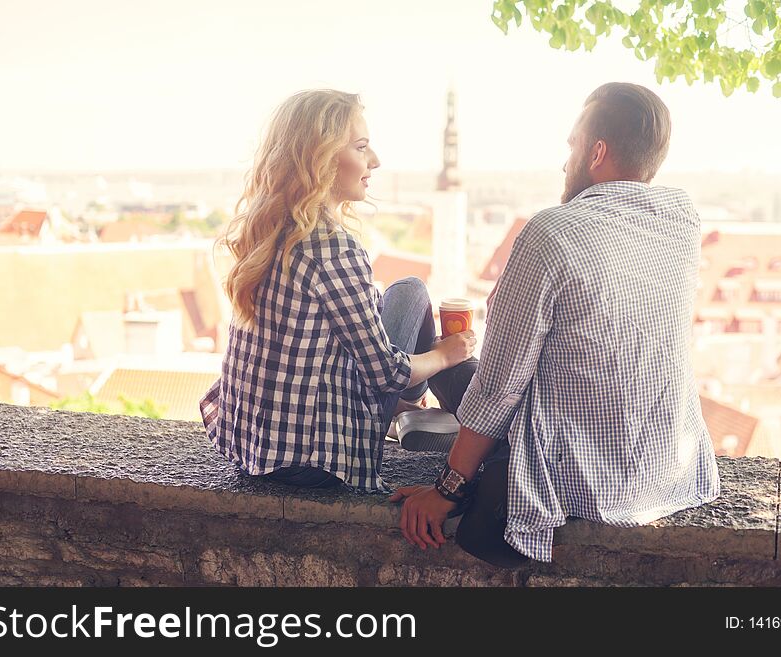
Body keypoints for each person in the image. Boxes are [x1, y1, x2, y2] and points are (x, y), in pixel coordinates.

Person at [391, 82, 721, 567]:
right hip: (667, 471)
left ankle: (411, 393)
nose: (565, 161)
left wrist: (446, 490)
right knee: (455, 360)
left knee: (447, 351)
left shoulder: (551, 234)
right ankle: (430, 377)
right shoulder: (682, 219)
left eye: (571, 145)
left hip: (574, 472)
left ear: (597, 151)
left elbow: (500, 388)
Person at [199, 89, 476, 491]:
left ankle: (409, 409)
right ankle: (452, 418)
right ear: (322, 159)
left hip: (255, 446)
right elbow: (386, 372)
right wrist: (446, 354)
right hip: (316, 459)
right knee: (417, 300)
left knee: (407, 292)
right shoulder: (332, 247)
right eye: (362, 148)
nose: (375, 161)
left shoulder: (268, 232)